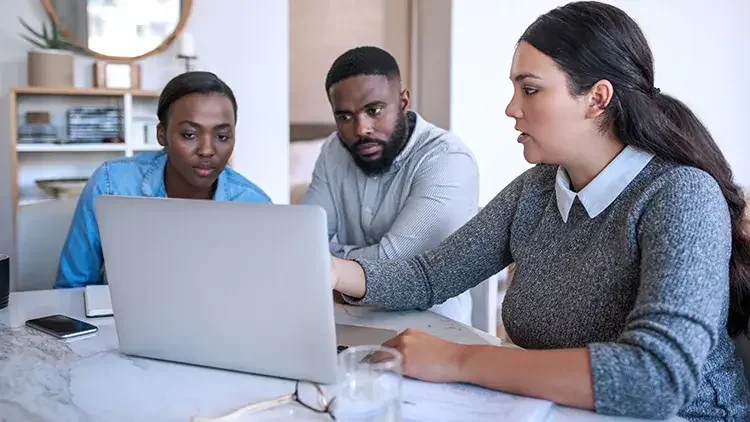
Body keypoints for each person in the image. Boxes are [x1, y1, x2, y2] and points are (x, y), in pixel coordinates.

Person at [331, 2, 750, 420]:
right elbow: (430, 275)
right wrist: (332, 270)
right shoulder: (538, 189)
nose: (511, 108)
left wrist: (458, 360)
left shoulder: (681, 194)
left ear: (597, 99)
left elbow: (655, 378)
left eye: (529, 89)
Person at [302, 46, 479, 325]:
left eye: (374, 110)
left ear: (403, 101)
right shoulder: (333, 150)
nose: (361, 129)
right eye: (344, 117)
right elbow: (305, 242)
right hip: (346, 325)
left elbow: (392, 262)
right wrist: (320, 258)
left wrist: (331, 261)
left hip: (432, 332)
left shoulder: (448, 159)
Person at [55, 71, 272, 288]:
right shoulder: (112, 184)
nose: (207, 150)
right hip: (120, 322)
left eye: (222, 136)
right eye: (190, 134)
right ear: (162, 134)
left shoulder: (255, 206)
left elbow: (266, 295)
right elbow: (71, 288)